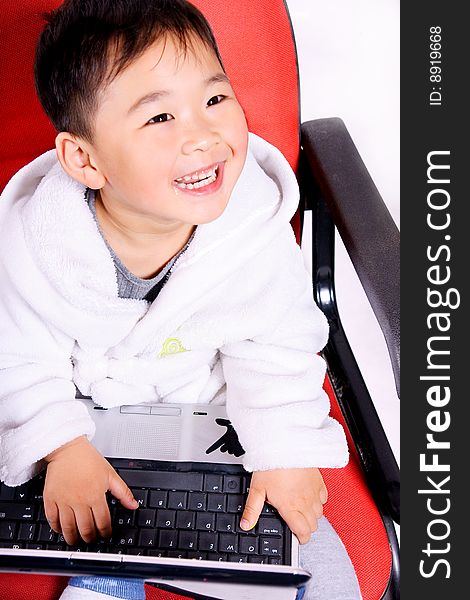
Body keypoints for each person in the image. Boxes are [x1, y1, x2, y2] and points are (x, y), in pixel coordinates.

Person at [0, 0, 361, 598]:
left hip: (210, 411)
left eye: (216, 99)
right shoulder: (34, 244)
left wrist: (284, 449)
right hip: (85, 421)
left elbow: (276, 344)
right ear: (84, 159)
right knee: (101, 543)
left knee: (320, 570)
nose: (204, 135)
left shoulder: (251, 229)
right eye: (160, 117)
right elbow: (15, 356)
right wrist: (60, 446)